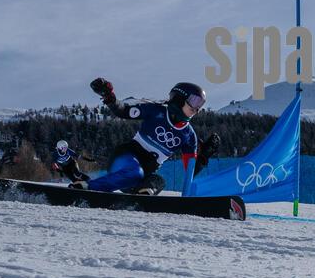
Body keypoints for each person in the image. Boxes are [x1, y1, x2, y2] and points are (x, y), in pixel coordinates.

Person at [71, 78, 219, 194]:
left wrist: (203, 158)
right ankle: (87, 187)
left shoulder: (189, 136)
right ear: (180, 98)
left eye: (200, 104)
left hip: (138, 177)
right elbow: (123, 110)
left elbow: (189, 174)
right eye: (195, 101)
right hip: (124, 159)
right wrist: (109, 96)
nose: (197, 109)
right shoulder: (156, 111)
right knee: (135, 172)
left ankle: (142, 197)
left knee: (158, 181)